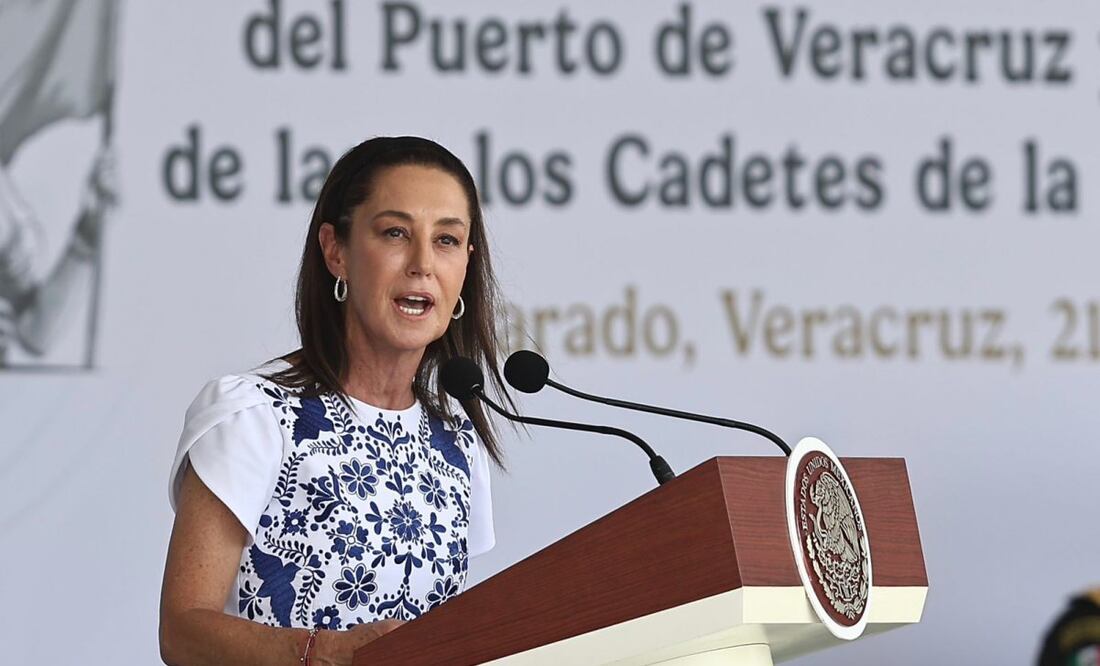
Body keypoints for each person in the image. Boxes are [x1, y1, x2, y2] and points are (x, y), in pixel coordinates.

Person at [160, 136, 511, 665]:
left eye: (446, 240)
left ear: (466, 263)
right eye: (395, 233)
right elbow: (182, 634)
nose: (422, 264)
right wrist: (324, 654)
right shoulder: (255, 416)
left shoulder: (458, 445)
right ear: (336, 250)